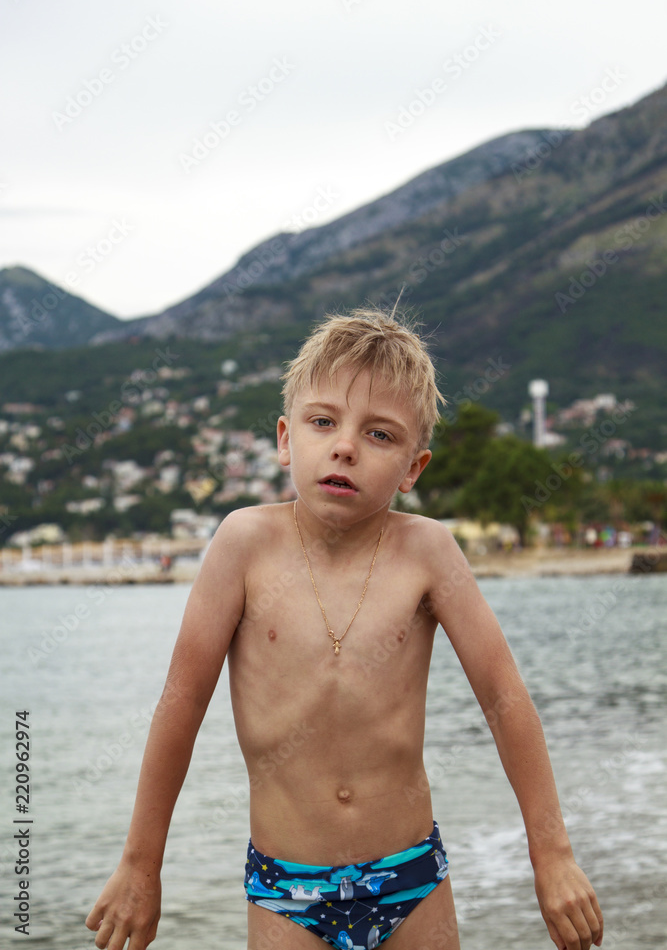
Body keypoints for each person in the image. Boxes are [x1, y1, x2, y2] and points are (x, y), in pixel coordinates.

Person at [86, 308, 603, 950]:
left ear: (414, 468)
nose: (345, 446)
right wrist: (141, 866)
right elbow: (181, 704)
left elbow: (506, 700)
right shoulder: (244, 545)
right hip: (286, 892)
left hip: (410, 882)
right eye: (323, 421)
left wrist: (551, 855)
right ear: (285, 437)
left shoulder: (428, 553)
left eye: (380, 435)